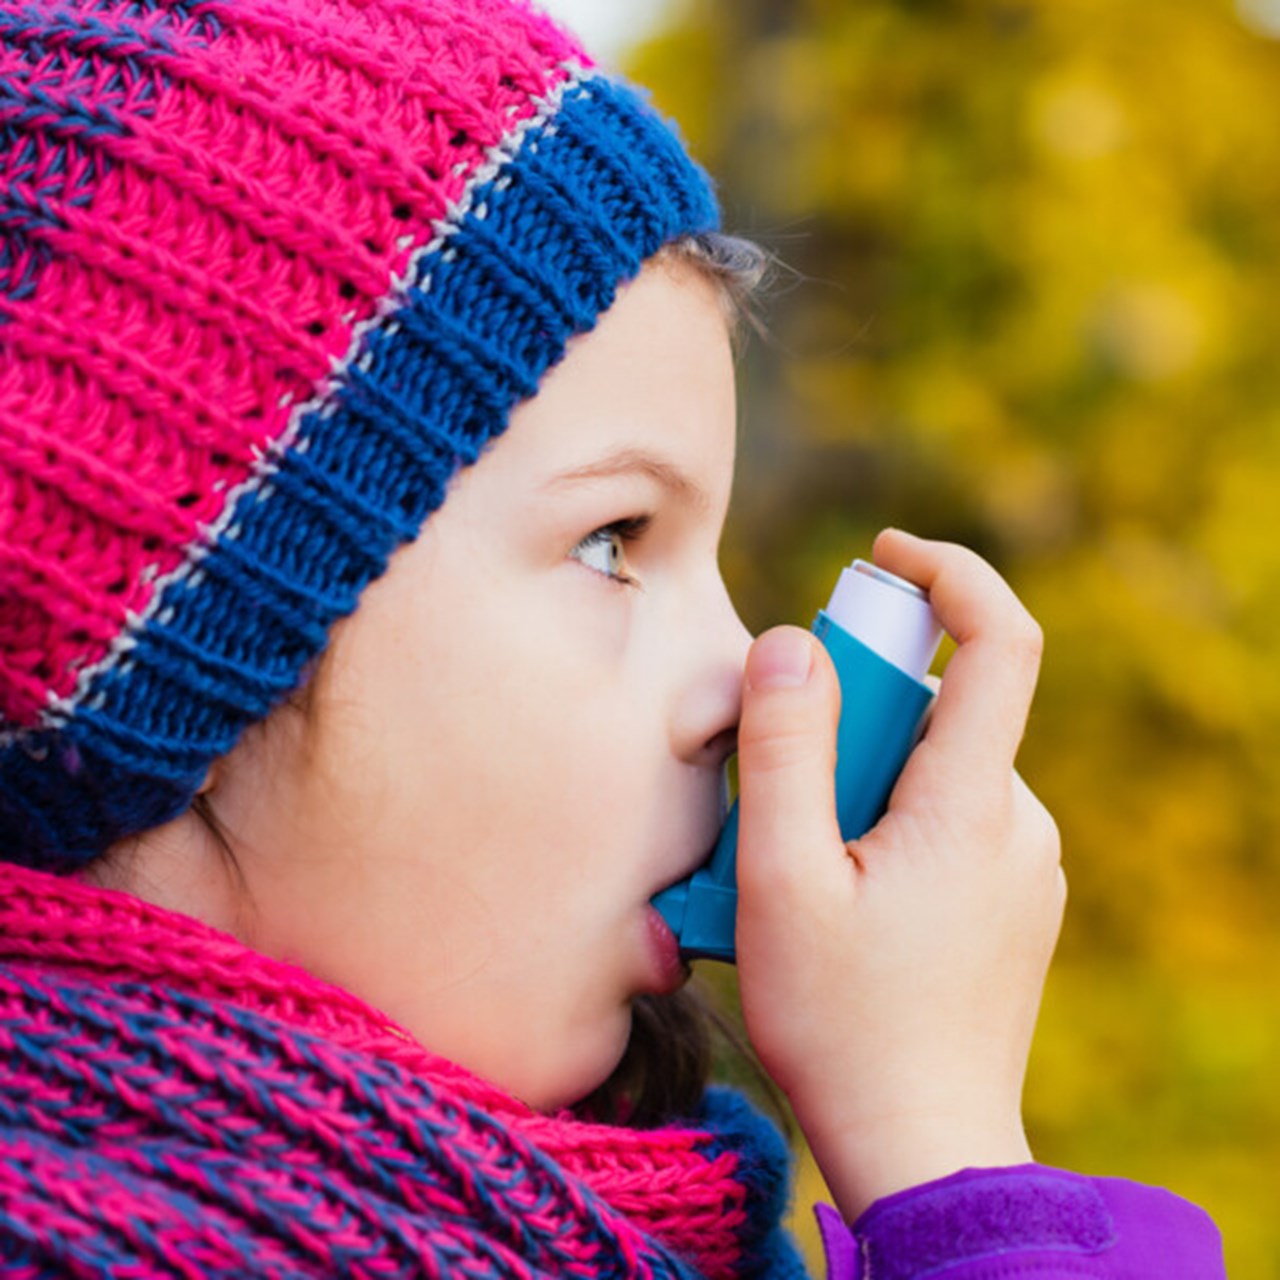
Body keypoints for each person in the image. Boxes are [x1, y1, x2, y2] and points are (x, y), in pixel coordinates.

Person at [0, 0, 1224, 1274]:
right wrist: (950, 1163)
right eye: (613, 538)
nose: (741, 685)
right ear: (173, 653)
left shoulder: (593, 1215)